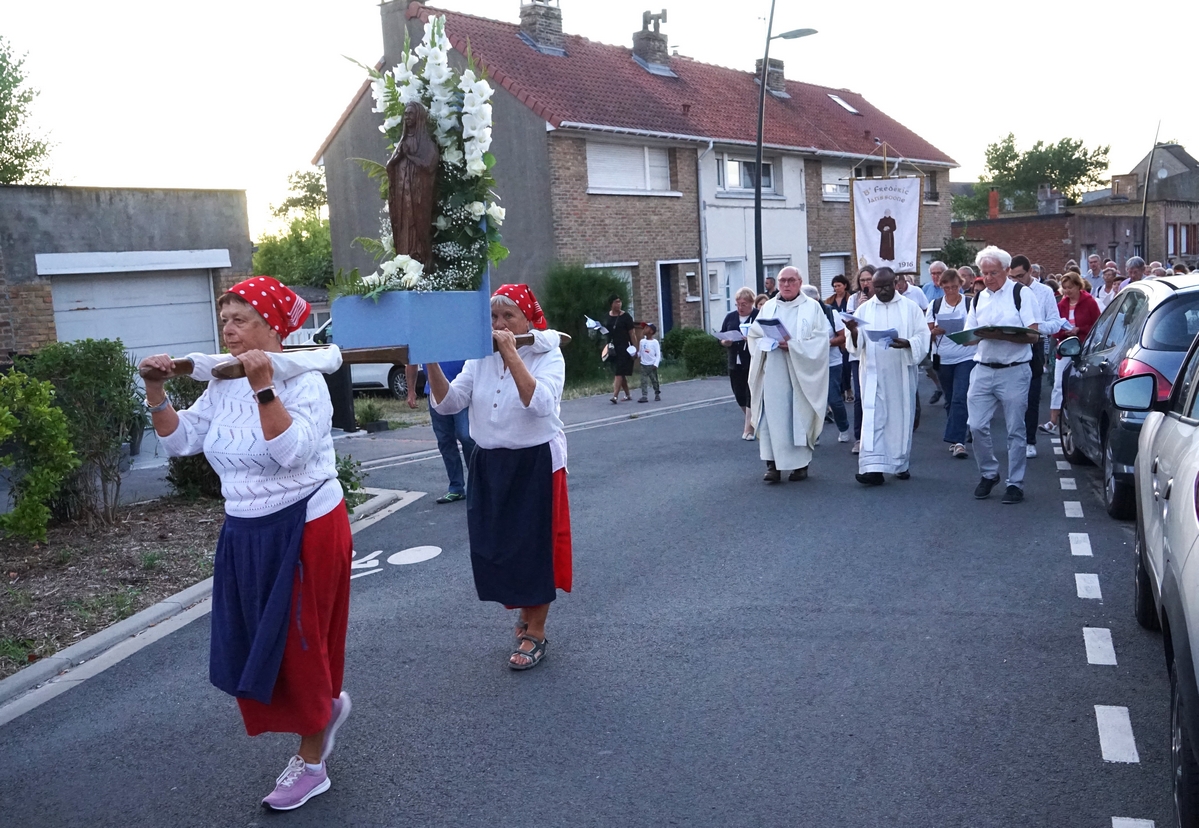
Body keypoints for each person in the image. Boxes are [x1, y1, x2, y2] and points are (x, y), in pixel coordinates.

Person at [141, 276, 353, 811]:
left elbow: (291, 453)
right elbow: (181, 441)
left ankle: (312, 761)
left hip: (304, 522)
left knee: (299, 645)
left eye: (240, 319)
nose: (228, 330)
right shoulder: (223, 382)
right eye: (225, 320)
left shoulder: (304, 381)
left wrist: (264, 388)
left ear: (272, 326)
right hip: (245, 529)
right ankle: (323, 710)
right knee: (258, 642)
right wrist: (156, 392)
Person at [428, 284, 571, 671]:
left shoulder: (547, 353)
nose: (499, 323)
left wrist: (512, 353)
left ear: (526, 319)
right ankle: (526, 612)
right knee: (498, 547)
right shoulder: (479, 358)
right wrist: (430, 362)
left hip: (534, 461)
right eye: (493, 316)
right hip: (489, 462)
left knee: (534, 548)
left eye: (509, 315)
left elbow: (540, 403)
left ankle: (536, 630)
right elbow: (448, 402)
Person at [963, 246, 1040, 505]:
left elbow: (1033, 335)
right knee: (976, 425)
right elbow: (969, 334)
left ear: (1007, 270)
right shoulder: (978, 298)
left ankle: (1015, 483)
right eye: (984, 273)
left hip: (1014, 370)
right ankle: (989, 473)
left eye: (993, 272)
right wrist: (969, 337)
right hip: (983, 368)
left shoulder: (1022, 294)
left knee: (1015, 430)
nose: (988, 278)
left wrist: (1002, 334)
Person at [843, 267, 930, 485]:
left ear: (895, 284)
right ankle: (872, 469)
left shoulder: (910, 308)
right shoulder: (864, 310)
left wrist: (908, 343)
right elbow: (856, 344)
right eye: (877, 287)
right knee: (873, 419)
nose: (881, 291)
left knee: (898, 419)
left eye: (885, 286)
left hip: (899, 373)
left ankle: (899, 463)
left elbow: (923, 336)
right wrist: (853, 332)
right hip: (873, 373)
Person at [746, 266, 831, 482]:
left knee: (797, 416)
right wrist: (765, 341)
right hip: (772, 372)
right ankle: (772, 465)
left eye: (791, 280)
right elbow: (755, 334)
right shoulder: (769, 307)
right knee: (770, 419)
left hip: (800, 375)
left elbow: (821, 341)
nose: (785, 284)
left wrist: (793, 346)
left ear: (800, 283)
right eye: (782, 280)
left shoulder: (812, 308)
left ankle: (800, 466)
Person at [1009, 254, 1068, 458]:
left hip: (1034, 344)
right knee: (1012, 398)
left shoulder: (1044, 292)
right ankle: (1014, 437)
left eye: (1020, 276)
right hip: (1011, 345)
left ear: (1031, 272)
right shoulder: (1007, 291)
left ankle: (1029, 440)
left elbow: (1055, 322)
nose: (1016, 281)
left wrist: (1034, 326)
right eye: (1013, 277)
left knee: (1032, 396)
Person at [1039, 271, 1101, 435]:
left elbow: (1098, 325)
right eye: (1064, 288)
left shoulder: (1089, 302)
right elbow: (1054, 328)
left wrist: (1079, 329)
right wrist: (1063, 333)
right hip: (1065, 347)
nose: (1067, 291)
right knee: (1059, 384)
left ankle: (1081, 420)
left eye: (1070, 287)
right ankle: (1053, 421)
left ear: (1078, 286)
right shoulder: (1061, 305)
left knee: (1082, 385)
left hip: (1084, 348)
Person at [407, 360, 476, 503]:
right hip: (436, 391)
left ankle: (477, 484)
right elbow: (411, 360)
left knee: (467, 436)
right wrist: (411, 391)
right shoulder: (423, 338)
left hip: (462, 389)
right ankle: (456, 488)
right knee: (445, 441)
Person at [927, 268, 976, 458]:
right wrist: (935, 331)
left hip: (966, 355)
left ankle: (958, 442)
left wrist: (965, 332)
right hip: (943, 356)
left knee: (960, 396)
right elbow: (927, 331)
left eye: (954, 286)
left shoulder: (970, 303)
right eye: (946, 287)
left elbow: (978, 329)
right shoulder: (935, 305)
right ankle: (959, 430)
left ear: (960, 285)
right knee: (949, 399)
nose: (950, 290)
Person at [803, 284, 850, 443]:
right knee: (810, 401)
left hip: (831, 363)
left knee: (834, 399)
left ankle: (843, 427)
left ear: (816, 300)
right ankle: (814, 433)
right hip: (810, 364)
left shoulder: (830, 313)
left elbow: (843, 337)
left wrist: (826, 343)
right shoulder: (801, 316)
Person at [721, 287, 759, 439]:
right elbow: (722, 337)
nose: (740, 308)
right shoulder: (730, 317)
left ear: (751, 303)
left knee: (750, 393)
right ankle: (753, 420)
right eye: (737, 304)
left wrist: (751, 338)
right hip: (734, 361)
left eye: (744, 304)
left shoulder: (758, 316)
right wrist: (725, 342)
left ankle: (748, 429)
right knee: (739, 394)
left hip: (752, 359)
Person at [845, 266, 876, 453]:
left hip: (875, 351)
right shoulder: (853, 299)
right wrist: (860, 307)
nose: (866, 283)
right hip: (857, 353)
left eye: (869, 279)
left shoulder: (881, 300)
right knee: (860, 395)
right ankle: (859, 437)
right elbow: (851, 321)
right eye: (863, 280)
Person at [605, 294, 635, 404]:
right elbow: (607, 331)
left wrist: (634, 347)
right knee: (620, 372)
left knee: (619, 372)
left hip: (624, 347)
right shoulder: (607, 316)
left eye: (619, 301)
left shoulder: (626, 317)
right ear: (611, 304)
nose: (618, 304)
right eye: (616, 302)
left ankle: (615, 396)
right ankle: (627, 394)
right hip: (613, 347)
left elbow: (632, 333)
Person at [637, 323, 661, 403]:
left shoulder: (655, 342)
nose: (644, 329)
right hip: (643, 364)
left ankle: (657, 393)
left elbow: (658, 355)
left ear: (651, 331)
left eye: (646, 328)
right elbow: (640, 353)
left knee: (654, 380)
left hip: (652, 365)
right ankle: (644, 396)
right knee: (643, 381)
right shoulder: (642, 341)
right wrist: (634, 355)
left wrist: (656, 364)